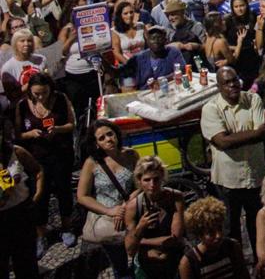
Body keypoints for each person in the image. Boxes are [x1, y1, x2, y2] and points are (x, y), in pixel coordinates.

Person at [200, 66, 265, 252]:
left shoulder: (253, 99)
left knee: (258, 225)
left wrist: (234, 137)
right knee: (231, 230)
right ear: (219, 87)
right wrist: (253, 133)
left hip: (254, 176)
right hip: (228, 181)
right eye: (226, 83)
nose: (232, 85)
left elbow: (262, 134)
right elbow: (222, 142)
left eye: (234, 80)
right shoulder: (211, 109)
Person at [15, 73, 76, 254]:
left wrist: (57, 129)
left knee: (64, 189)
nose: (40, 97)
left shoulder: (60, 99)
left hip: (60, 153)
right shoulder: (23, 105)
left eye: (44, 93)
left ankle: (67, 227)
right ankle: (40, 234)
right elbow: (18, 134)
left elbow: (71, 124)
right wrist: (31, 134)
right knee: (39, 194)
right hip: (36, 157)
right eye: (36, 94)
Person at [76, 119, 139, 279]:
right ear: (96, 143)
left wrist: (126, 205)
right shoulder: (92, 163)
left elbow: (141, 184)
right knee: (119, 262)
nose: (108, 139)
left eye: (110, 134)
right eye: (101, 138)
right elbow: (82, 196)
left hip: (130, 211)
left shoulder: (131, 155)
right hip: (107, 218)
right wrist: (110, 211)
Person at [124, 155, 186, 279]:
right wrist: (140, 227)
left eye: (156, 179)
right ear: (139, 181)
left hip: (173, 260)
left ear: (162, 177)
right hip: (146, 265)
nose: (152, 184)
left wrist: (141, 241)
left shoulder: (175, 198)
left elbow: (175, 238)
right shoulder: (133, 207)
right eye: (147, 180)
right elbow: (130, 250)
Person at [0, 115, 44, 279]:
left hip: (20, 214)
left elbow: (38, 170)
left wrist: (37, 195)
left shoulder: (15, 151)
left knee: (26, 264)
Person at [178, 197, 247, 279]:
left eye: (220, 228)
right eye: (211, 233)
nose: (218, 235)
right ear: (200, 235)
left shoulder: (232, 247)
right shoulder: (189, 262)